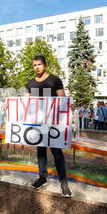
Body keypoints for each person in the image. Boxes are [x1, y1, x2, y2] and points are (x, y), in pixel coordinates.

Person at [25, 55, 72, 198]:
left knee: (57, 151)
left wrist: (69, 104)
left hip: (54, 122)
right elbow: (26, 102)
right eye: (34, 65)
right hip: (38, 123)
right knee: (40, 150)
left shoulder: (55, 80)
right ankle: (42, 177)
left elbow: (62, 98)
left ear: (45, 65)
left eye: (39, 64)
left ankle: (63, 182)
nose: (37, 67)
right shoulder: (30, 84)